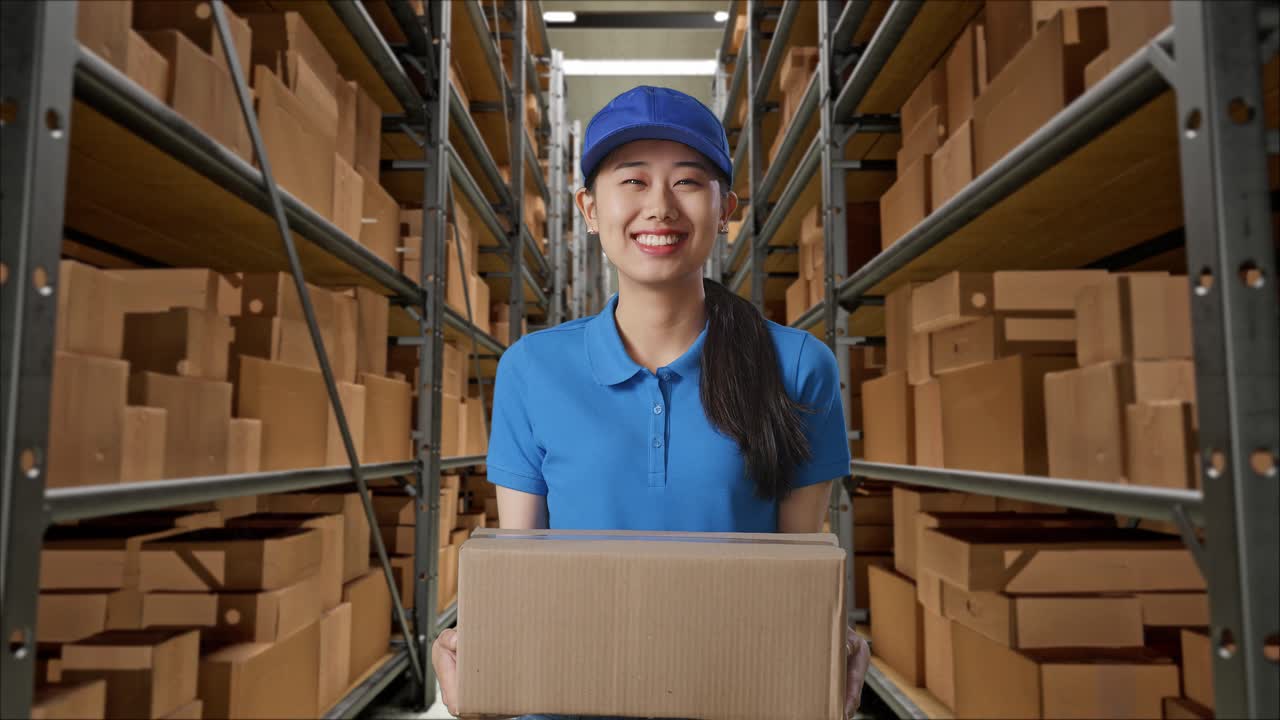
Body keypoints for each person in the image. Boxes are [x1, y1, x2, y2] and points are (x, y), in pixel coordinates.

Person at [432, 85, 870, 720]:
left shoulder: (797, 366)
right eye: (632, 181)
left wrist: (822, 661)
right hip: (565, 705)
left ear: (727, 208)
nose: (659, 207)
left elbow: (797, 579)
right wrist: (485, 670)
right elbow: (519, 573)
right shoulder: (532, 369)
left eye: (689, 182)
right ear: (588, 207)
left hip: (737, 702)